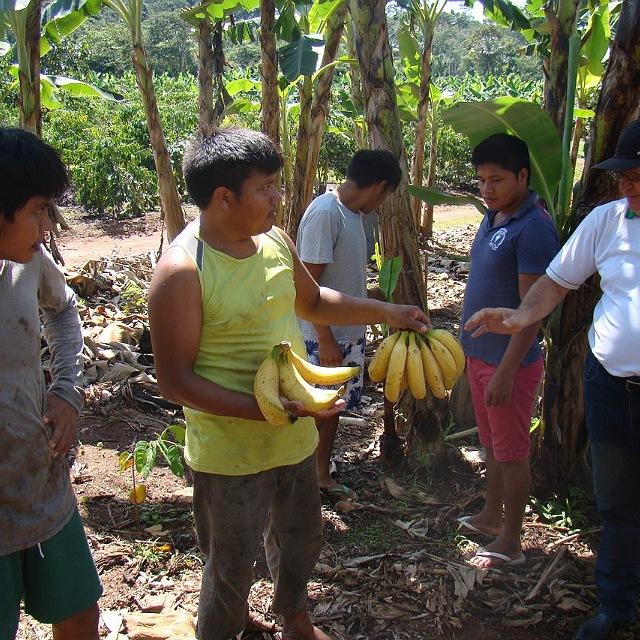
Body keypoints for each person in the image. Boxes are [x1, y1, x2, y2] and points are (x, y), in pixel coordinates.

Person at [148, 127, 429, 640]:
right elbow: (175, 381)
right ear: (223, 197)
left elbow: (315, 301)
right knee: (231, 568)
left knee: (300, 540)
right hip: (231, 452)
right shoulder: (183, 270)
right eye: (266, 188)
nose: (279, 198)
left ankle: (295, 619)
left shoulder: (273, 241)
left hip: (295, 436)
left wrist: (391, 311)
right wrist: (266, 409)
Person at [464, 119, 640, 640]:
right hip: (612, 384)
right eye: (622, 176)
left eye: (637, 175)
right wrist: (519, 317)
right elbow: (556, 282)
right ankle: (615, 606)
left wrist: (515, 351)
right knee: (616, 500)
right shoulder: (609, 220)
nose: (626, 186)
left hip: (519, 367)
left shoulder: (531, 223)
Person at [0, 128, 101, 639]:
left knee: (80, 611)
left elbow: (63, 312)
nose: (47, 227)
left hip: (39, 485)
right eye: (39, 210)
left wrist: (65, 391)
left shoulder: (27, 266)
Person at [456, 133, 560, 568]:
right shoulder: (495, 216)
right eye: (481, 180)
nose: (487, 189)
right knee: (493, 446)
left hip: (509, 365)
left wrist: (505, 370)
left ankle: (511, 541)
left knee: (512, 453)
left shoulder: (533, 228)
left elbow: (530, 311)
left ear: (522, 175)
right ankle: (489, 514)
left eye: (496, 180)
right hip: (482, 357)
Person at [296, 149, 402, 500]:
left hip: (348, 333)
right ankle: (308, 475)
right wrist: (324, 337)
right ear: (380, 186)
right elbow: (307, 286)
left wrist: (379, 301)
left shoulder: (354, 215)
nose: (383, 203)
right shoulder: (326, 214)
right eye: (386, 195)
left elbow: (342, 279)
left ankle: (320, 470)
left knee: (334, 409)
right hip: (321, 335)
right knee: (317, 409)